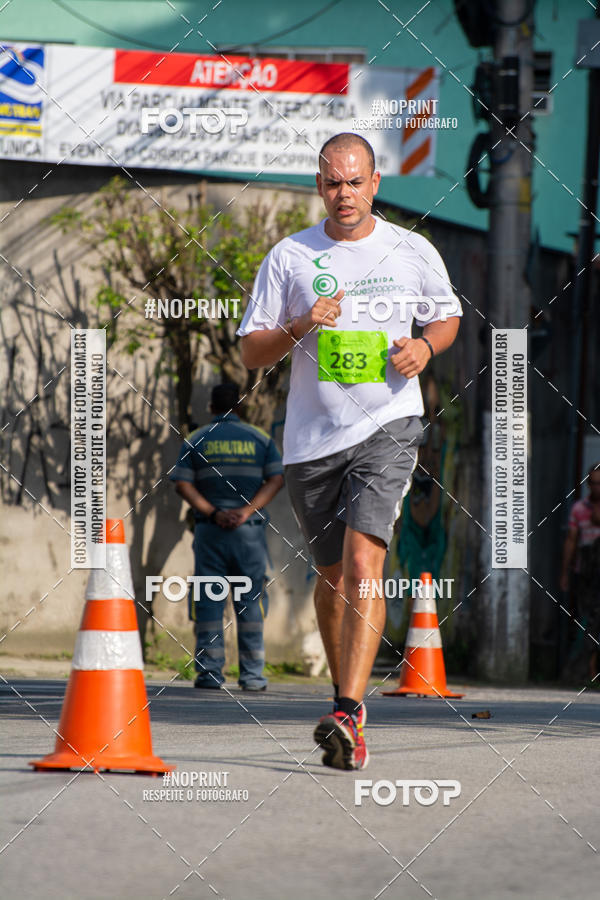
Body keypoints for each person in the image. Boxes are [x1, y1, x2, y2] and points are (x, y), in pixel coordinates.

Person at [238, 132, 462, 768]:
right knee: (332, 577)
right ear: (319, 186)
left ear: (375, 184)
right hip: (312, 438)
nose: (345, 193)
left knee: (366, 562)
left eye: (356, 181)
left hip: (389, 424)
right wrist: (303, 322)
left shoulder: (411, 249)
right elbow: (252, 351)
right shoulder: (290, 257)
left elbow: (444, 317)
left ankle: (348, 710)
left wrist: (427, 347)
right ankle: (346, 702)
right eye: (333, 182)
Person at [170, 383, 284, 691]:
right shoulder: (260, 438)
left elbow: (182, 484)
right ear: (239, 408)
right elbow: (277, 478)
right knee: (251, 602)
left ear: (211, 407)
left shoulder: (196, 439)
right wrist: (246, 511)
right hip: (249, 534)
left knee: (209, 601)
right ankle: (253, 675)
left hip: (210, 533)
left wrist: (213, 512)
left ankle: (209, 673)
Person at [560, 463, 600, 680]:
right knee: (587, 619)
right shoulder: (579, 509)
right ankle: (588, 669)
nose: (595, 488)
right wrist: (565, 573)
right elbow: (571, 541)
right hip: (586, 574)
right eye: (592, 483)